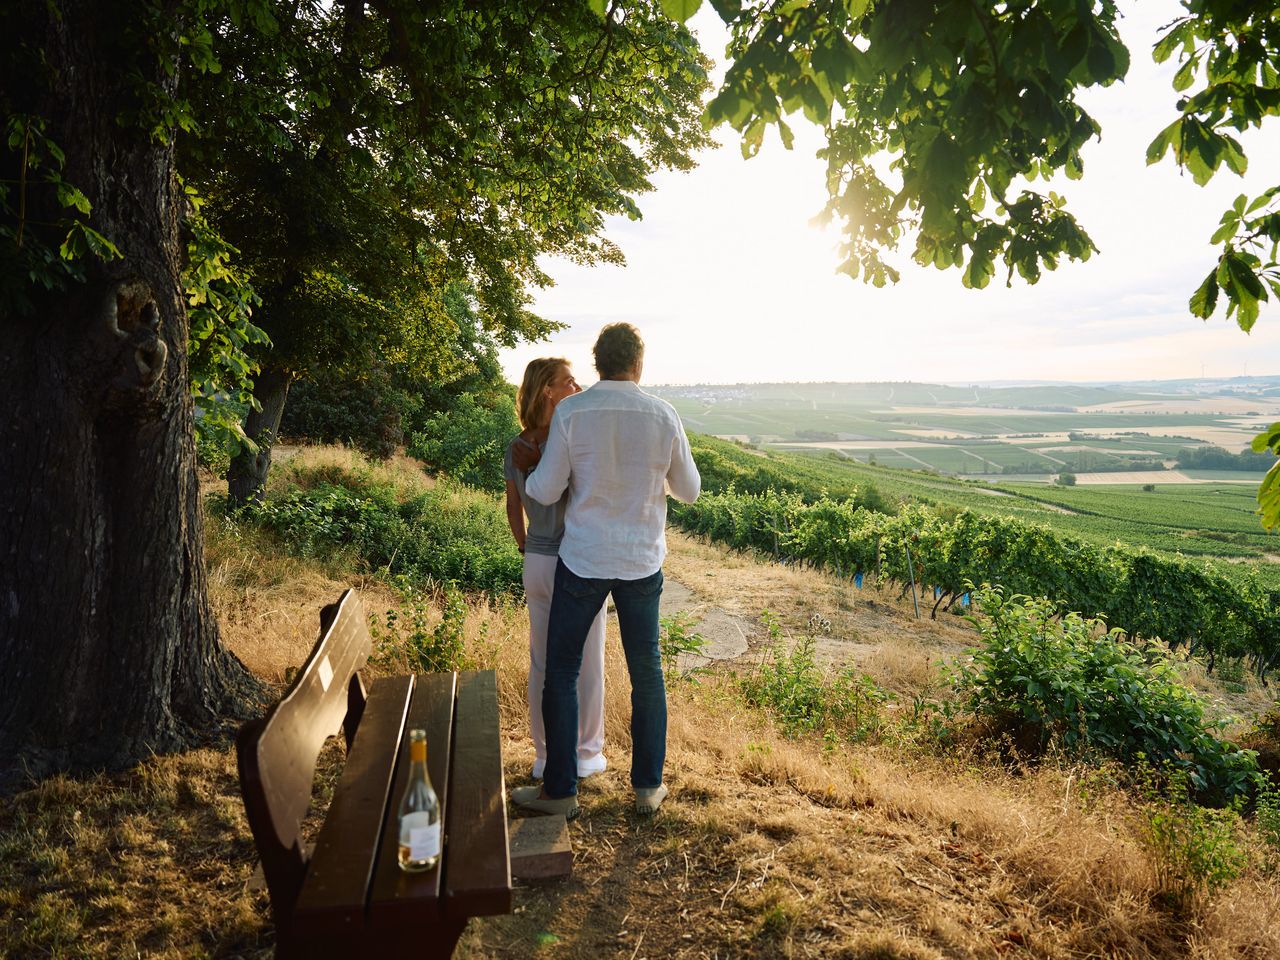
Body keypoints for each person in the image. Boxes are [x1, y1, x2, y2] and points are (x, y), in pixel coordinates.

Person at [511, 323, 700, 820]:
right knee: (647, 672)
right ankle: (647, 788)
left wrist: (532, 470)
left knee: (563, 669)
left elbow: (546, 491)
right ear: (638, 363)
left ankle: (562, 790)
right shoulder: (664, 414)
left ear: (597, 363)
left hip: (584, 559)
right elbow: (690, 490)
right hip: (640, 561)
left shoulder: (572, 412)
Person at [505, 358, 608, 781]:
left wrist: (527, 546)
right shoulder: (573, 438)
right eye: (569, 381)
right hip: (576, 560)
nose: (578, 385)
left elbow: (514, 508)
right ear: (549, 390)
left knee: (542, 662)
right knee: (588, 660)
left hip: (538, 560)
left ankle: (545, 755)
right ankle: (586, 753)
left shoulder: (517, 445)